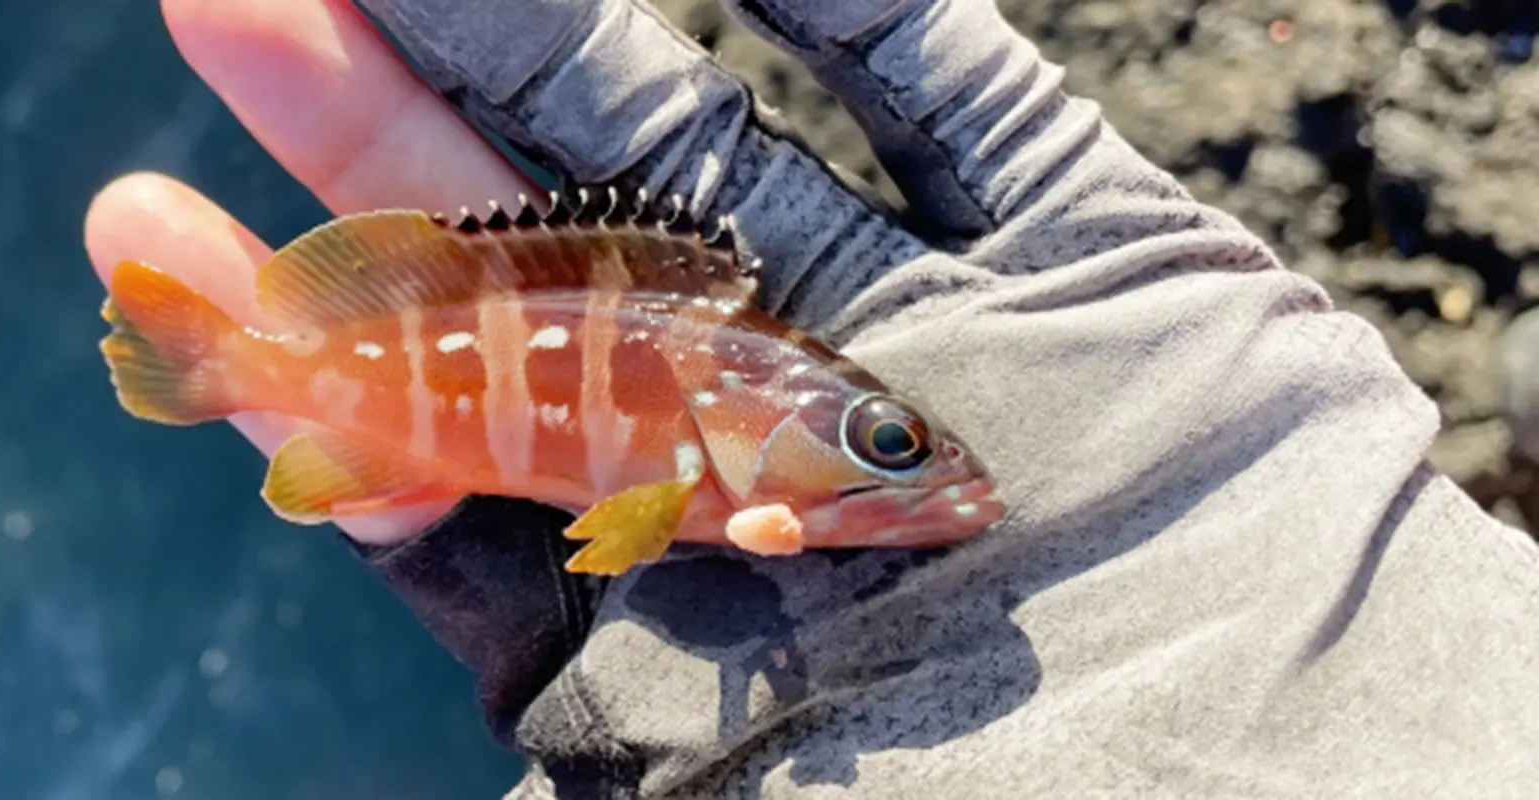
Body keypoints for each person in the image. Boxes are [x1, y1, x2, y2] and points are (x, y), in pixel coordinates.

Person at [82, 0, 1539, 795]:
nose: (925, 475)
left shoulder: (718, 443)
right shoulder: (705, 430)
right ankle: (230, 364)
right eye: (883, 438)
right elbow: (629, 512)